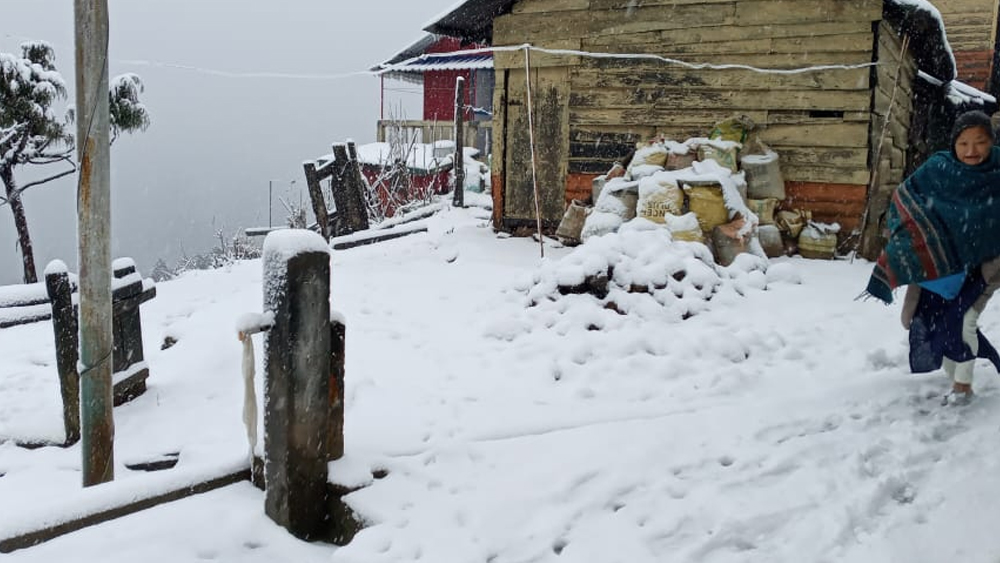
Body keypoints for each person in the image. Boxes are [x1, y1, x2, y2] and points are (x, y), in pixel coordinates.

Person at [866, 110, 1000, 405]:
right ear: (953, 143)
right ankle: (955, 377)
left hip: (986, 267)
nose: (971, 151)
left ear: (991, 141)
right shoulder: (939, 168)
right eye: (963, 143)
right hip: (941, 266)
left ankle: (962, 388)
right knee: (933, 322)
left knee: (963, 321)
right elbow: (905, 198)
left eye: (980, 142)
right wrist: (913, 240)